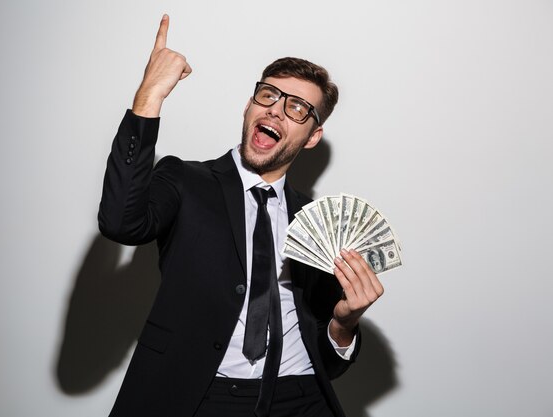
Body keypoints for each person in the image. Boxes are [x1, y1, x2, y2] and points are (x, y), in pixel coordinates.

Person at [98, 14, 384, 417]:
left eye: (297, 108)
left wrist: (345, 324)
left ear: (312, 137)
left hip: (301, 397)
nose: (276, 111)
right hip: (204, 396)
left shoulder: (316, 220)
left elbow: (330, 363)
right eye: (268, 95)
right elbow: (119, 222)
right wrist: (149, 98)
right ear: (250, 105)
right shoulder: (185, 179)